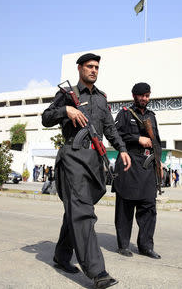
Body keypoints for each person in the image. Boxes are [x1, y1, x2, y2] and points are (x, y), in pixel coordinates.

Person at [42, 53, 131, 289]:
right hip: (73, 156)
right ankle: (97, 271)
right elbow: (46, 117)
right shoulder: (66, 94)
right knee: (82, 212)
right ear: (80, 68)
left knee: (76, 208)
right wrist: (67, 111)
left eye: (97, 67)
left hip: (94, 160)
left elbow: (110, 129)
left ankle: (62, 257)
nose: (93, 70)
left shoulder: (101, 99)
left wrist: (121, 149)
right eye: (89, 67)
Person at [111, 82, 162, 260]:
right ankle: (123, 245)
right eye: (142, 96)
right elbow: (114, 136)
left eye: (147, 95)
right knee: (125, 206)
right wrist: (137, 138)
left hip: (148, 165)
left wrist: (159, 161)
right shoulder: (125, 113)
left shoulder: (152, 116)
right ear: (134, 96)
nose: (145, 99)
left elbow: (157, 141)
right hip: (129, 163)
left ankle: (146, 246)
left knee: (149, 207)